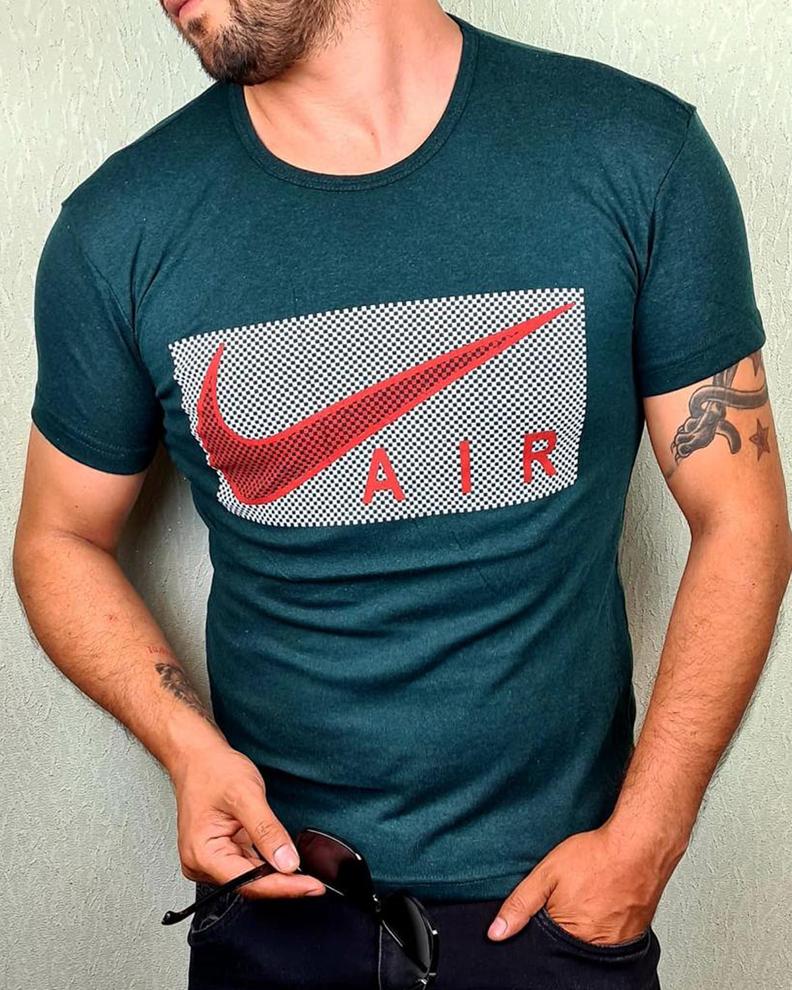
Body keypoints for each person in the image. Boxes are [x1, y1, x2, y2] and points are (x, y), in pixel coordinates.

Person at [13, 1, 791, 987]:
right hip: (278, 905)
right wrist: (184, 745)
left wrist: (647, 841)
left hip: (555, 920)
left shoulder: (634, 155)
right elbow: (58, 538)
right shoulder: (120, 228)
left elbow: (741, 516)